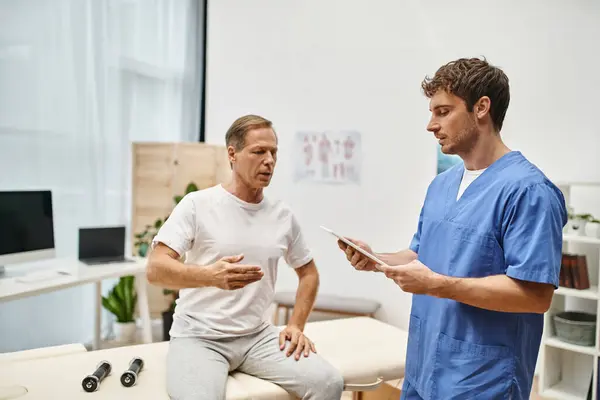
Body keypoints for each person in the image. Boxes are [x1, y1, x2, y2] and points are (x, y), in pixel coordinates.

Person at [337, 57, 567, 400]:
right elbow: (420, 253)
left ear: (481, 108)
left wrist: (438, 285)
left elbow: (535, 296)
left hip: (481, 380)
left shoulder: (528, 191)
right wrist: (376, 259)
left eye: (443, 112)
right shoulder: (442, 186)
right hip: (422, 368)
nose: (431, 125)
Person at [147, 114, 344, 400]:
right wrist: (210, 276)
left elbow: (308, 273)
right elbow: (156, 268)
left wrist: (295, 325)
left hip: (257, 337)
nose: (269, 160)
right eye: (258, 152)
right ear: (232, 154)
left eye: (273, 152)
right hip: (199, 337)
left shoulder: (282, 216)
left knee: (329, 383)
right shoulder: (197, 205)